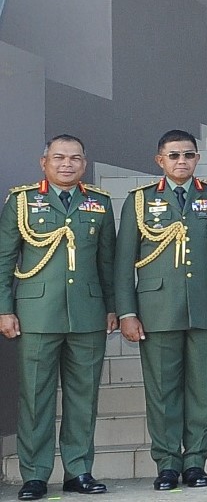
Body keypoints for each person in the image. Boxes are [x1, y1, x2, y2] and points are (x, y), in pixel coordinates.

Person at [115, 130, 207, 491]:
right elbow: (123, 263)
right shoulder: (139, 201)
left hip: (206, 306)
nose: (181, 161)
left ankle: (196, 460)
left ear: (197, 158)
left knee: (202, 389)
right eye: (174, 156)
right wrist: (126, 312)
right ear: (160, 161)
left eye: (188, 155)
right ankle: (168, 463)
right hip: (157, 308)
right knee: (163, 391)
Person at [0, 135, 116, 501]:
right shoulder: (21, 201)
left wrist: (112, 307)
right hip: (36, 314)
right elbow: (4, 259)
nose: (67, 164)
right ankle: (35, 475)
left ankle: (78, 471)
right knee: (36, 398)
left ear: (84, 164)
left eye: (75, 158)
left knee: (84, 398)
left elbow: (107, 262)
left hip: (88, 314)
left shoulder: (99, 202)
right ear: (44, 162)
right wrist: (4, 308)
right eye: (59, 157)